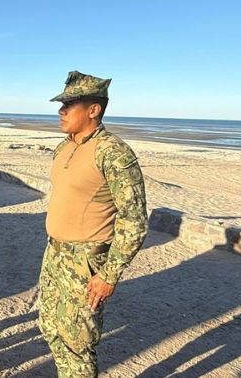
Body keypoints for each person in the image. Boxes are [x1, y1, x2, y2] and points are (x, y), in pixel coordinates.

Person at [38, 71, 148, 377]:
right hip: (55, 254)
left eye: (69, 105)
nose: (61, 111)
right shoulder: (64, 147)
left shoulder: (113, 152)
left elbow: (134, 218)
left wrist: (109, 274)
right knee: (51, 329)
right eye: (61, 104)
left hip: (86, 260)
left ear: (93, 109)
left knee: (78, 341)